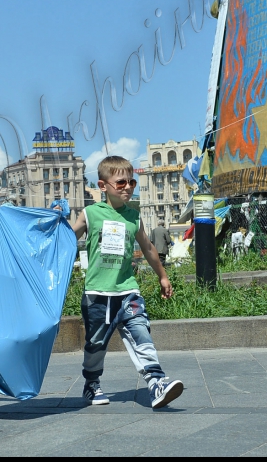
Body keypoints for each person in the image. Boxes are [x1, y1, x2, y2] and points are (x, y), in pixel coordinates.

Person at [72, 156, 184, 409]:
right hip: (97, 294)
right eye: (120, 182)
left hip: (128, 291)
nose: (127, 187)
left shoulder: (134, 217)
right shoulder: (90, 214)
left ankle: (156, 382)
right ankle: (91, 384)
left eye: (131, 182)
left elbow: (148, 247)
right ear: (103, 186)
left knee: (141, 333)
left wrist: (163, 276)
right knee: (95, 345)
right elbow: (66, 241)